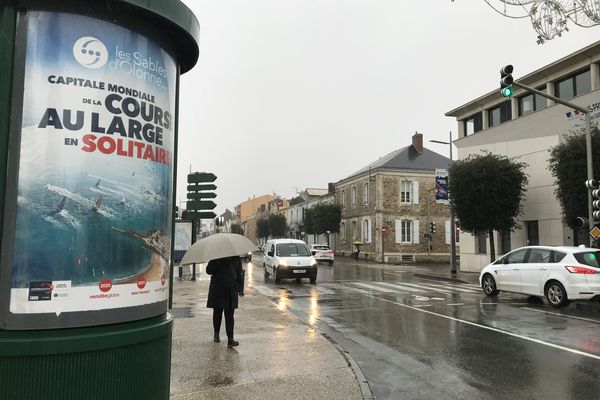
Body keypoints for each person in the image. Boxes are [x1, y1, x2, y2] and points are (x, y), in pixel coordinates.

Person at [206, 256, 244, 348]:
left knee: (229, 316)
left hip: (230, 290)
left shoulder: (236, 258)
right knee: (217, 313)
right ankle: (216, 334)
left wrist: (240, 289)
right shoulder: (216, 257)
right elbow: (208, 270)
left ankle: (230, 339)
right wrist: (218, 263)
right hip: (218, 289)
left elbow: (239, 273)